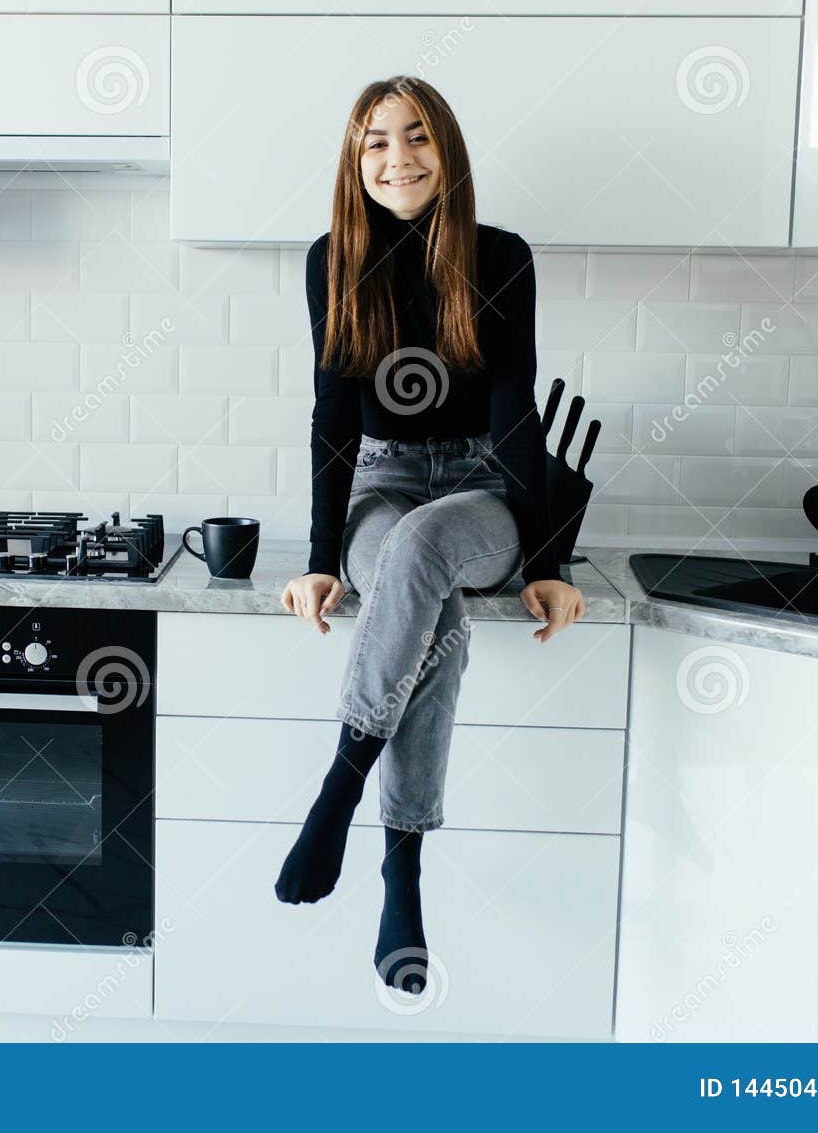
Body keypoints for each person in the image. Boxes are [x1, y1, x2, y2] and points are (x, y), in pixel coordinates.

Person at [275, 75, 586, 995]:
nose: (397, 157)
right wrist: (322, 556)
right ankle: (402, 867)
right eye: (375, 141)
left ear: (446, 149)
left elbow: (515, 412)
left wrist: (547, 561)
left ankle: (340, 789)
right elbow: (334, 417)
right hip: (379, 485)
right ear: (353, 157)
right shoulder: (333, 258)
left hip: (478, 491)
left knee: (427, 553)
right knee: (423, 599)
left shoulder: (502, 257)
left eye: (415, 137)